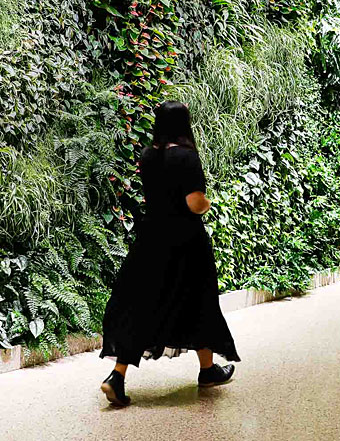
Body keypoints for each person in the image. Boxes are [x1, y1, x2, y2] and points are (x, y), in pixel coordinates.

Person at [96, 101, 238, 407]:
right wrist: (207, 204)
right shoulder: (186, 157)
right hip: (186, 242)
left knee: (143, 306)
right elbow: (193, 203)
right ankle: (207, 370)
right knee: (200, 302)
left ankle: (117, 376)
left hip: (151, 239)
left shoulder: (148, 156)